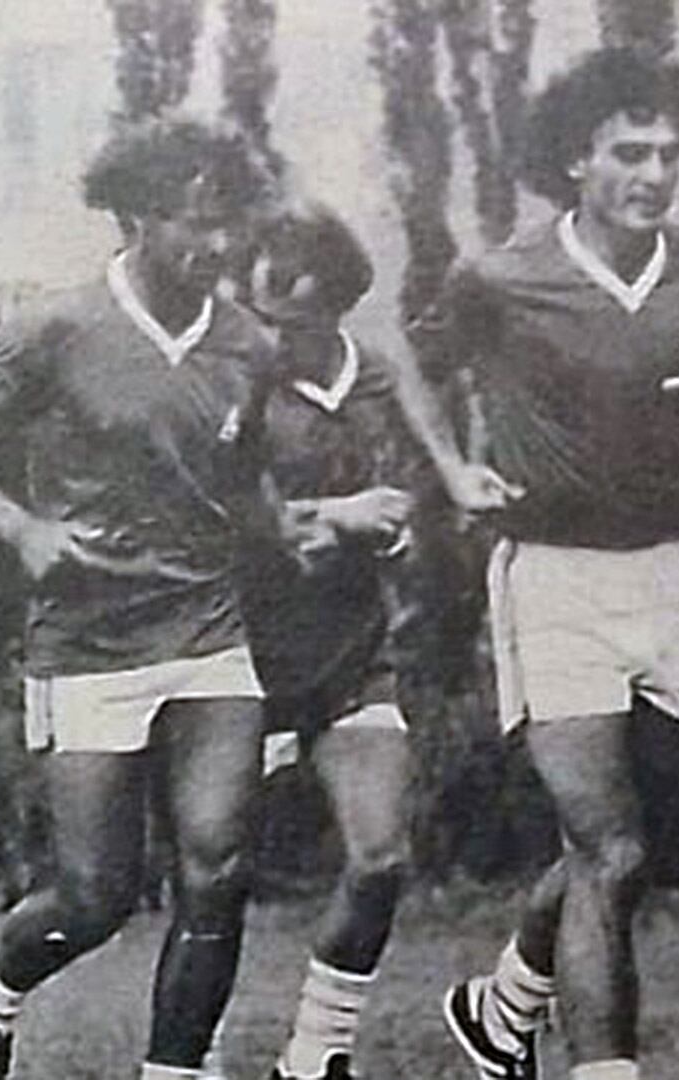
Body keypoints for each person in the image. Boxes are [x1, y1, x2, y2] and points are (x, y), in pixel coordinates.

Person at [397, 46, 679, 1080]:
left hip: (668, 577)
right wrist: (452, 468)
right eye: (628, 153)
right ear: (576, 162)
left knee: (620, 849)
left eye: (668, 154)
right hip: (553, 578)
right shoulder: (500, 276)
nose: (653, 174)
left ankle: (505, 1002)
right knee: (611, 851)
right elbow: (407, 366)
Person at [0, 119, 281, 1080]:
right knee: (94, 896)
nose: (218, 244)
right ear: (137, 219)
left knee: (218, 868)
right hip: (89, 644)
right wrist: (26, 530)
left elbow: (244, 493)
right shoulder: (56, 325)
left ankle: (175, 1069)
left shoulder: (248, 342)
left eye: (228, 222)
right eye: (197, 222)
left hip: (208, 630)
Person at [237, 201, 418, 1080]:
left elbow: (401, 494)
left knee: (381, 858)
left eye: (292, 311)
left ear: (337, 302)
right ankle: (181, 1056)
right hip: (237, 662)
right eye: (261, 301)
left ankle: (315, 1057)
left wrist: (391, 526)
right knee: (211, 879)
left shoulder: (375, 379)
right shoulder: (230, 382)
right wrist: (338, 516)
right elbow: (225, 520)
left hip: (351, 657)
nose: (269, 322)